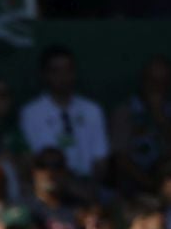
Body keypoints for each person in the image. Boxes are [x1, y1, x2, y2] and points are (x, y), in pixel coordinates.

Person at [19, 46, 109, 182]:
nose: (63, 77)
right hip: (49, 186)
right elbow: (32, 161)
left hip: (89, 184)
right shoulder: (31, 113)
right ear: (44, 75)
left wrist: (92, 189)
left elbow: (101, 159)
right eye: (56, 71)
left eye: (68, 70)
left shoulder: (92, 110)